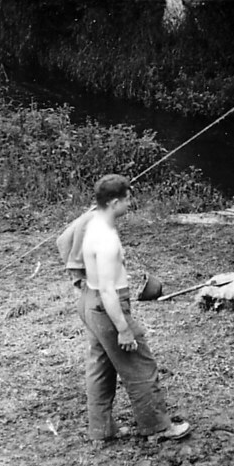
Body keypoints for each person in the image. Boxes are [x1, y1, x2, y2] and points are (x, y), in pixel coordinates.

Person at [77, 174, 190, 443]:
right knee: (141, 366)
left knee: (101, 368)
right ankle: (158, 428)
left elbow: (65, 242)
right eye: (128, 199)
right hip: (107, 306)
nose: (131, 203)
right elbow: (107, 290)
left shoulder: (90, 221)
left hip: (88, 301)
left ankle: (102, 430)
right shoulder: (106, 239)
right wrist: (124, 329)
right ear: (115, 202)